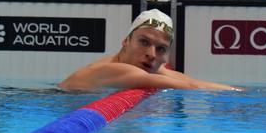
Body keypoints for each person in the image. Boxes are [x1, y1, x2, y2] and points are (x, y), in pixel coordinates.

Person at [59, 9, 242, 91]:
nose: (151, 54)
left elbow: (191, 81)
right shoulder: (114, 69)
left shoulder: (145, 65)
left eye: (161, 49)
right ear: (125, 41)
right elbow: (192, 87)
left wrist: (239, 90)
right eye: (144, 42)